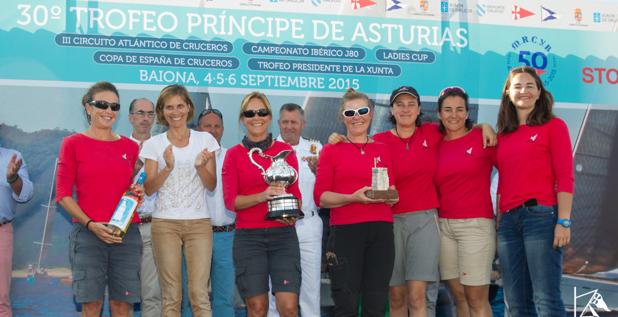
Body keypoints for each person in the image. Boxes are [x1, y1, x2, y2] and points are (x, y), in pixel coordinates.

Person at [56, 81, 143, 317]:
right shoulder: (72, 144)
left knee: (122, 306)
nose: (108, 111)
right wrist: (91, 224)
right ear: (88, 107)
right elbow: (62, 195)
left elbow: (132, 189)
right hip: (87, 235)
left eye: (114, 106)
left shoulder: (129, 146)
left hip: (125, 235)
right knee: (91, 306)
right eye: (102, 104)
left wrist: (138, 193)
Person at [495, 66, 574, 316]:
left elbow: (565, 177)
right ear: (508, 92)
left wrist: (564, 220)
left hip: (540, 218)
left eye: (530, 86)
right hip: (508, 223)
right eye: (517, 86)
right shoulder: (503, 135)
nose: (524, 91)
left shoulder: (554, 126)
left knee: (546, 299)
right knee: (515, 303)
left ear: (539, 93)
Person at [314, 88, 396, 317]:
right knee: (345, 303)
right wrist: (352, 197)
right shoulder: (331, 150)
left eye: (362, 111)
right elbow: (320, 197)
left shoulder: (383, 149)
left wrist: (391, 195)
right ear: (342, 118)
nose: (357, 117)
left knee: (377, 303)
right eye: (350, 113)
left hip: (381, 232)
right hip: (345, 234)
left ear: (370, 114)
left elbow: (390, 189)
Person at [140, 84, 219, 317]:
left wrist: (200, 166)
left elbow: (211, 184)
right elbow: (148, 188)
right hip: (164, 224)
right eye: (169, 107)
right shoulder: (153, 144)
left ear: (189, 108)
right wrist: (168, 168)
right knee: (171, 296)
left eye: (180, 106)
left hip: (199, 225)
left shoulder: (205, 140)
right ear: (162, 112)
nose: (175, 112)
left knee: (199, 294)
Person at [222, 91, 302, 317]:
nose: (256, 117)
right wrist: (262, 195)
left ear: (269, 116)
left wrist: (291, 211)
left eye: (261, 112)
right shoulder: (234, 155)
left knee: (288, 307)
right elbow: (231, 202)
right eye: (249, 113)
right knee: (257, 309)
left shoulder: (285, 151)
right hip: (249, 238)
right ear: (242, 118)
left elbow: (295, 193)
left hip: (283, 236)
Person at [434, 87, 495, 317]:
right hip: (444, 227)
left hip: (476, 226)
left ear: (468, 113)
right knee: (458, 295)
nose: (454, 115)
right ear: (439, 114)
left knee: (476, 297)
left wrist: (484, 126)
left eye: (460, 109)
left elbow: (512, 168)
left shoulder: (483, 138)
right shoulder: (436, 142)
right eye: (448, 110)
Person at [268, 103, 323, 317]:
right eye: (285, 122)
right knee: (274, 290)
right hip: (277, 225)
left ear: (303, 124)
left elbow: (329, 186)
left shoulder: (317, 149)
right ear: (278, 123)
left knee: (310, 290)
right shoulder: (267, 150)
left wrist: (320, 171)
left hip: (308, 224)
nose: (289, 127)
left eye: (294, 122)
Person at [196, 108, 237, 317]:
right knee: (192, 298)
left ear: (222, 129)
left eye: (217, 126)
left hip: (226, 236)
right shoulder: (188, 158)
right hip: (195, 237)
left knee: (224, 299)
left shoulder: (233, 156)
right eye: (207, 126)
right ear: (198, 128)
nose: (213, 131)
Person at [127, 98, 162, 317]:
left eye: (150, 114)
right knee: (124, 294)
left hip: (153, 225)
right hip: (124, 227)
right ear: (130, 117)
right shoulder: (118, 146)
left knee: (153, 294)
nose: (145, 118)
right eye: (140, 113)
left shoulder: (162, 147)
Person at [1, 146, 34, 317]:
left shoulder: (12, 157)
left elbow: (26, 194)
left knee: (1, 300)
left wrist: (13, 178)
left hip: (1, 232)